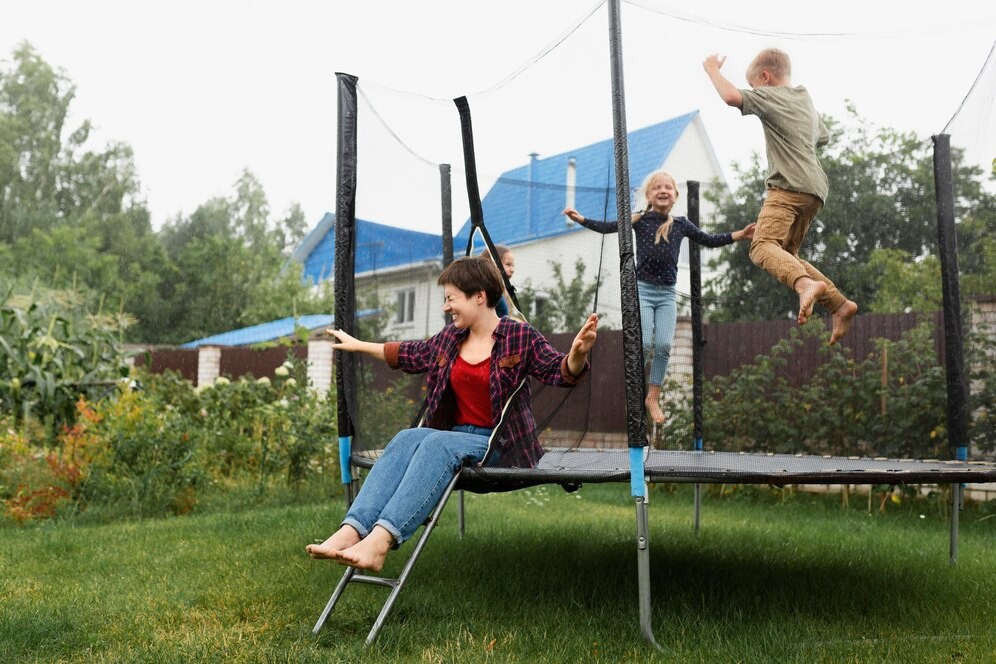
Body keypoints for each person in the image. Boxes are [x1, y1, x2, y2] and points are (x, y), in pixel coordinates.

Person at [306, 255, 599, 572]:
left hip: (501, 447)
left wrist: (578, 354)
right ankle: (351, 531)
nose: (446, 306)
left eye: (451, 298)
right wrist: (358, 344)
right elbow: (408, 353)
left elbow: (560, 372)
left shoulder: (520, 336)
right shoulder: (450, 340)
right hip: (459, 438)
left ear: (479, 296)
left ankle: (379, 544)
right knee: (408, 438)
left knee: (437, 444)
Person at [563, 170, 754, 424]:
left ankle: (652, 396)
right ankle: (635, 391)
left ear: (675, 195)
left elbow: (708, 240)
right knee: (642, 345)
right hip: (642, 289)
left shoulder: (682, 224)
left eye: (668, 187)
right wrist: (582, 219)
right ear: (649, 195)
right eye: (657, 188)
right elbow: (611, 227)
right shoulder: (639, 219)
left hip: (666, 295)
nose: (663, 191)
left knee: (663, 345)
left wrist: (739, 235)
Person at [703, 48, 858, 345]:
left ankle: (804, 286)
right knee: (786, 255)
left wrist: (712, 69)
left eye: (757, 86)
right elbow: (822, 137)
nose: (757, 94)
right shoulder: (806, 101)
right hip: (814, 191)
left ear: (766, 77)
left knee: (762, 247)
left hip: (787, 187)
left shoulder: (773, 95)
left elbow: (733, 97)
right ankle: (840, 305)